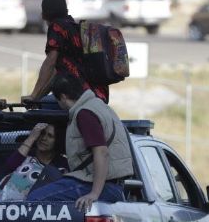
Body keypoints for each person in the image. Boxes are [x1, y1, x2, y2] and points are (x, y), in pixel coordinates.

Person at [27, 74, 133, 212]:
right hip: (112, 185)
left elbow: (102, 152)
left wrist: (94, 194)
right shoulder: (100, 106)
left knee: (33, 202)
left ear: (63, 97)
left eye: (58, 100)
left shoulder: (85, 114)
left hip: (103, 186)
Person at [23, 0, 109, 107]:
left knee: (44, 108)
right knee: (43, 103)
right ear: (67, 11)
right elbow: (54, 74)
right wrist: (37, 98)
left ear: (43, 15)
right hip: (97, 95)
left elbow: (50, 62)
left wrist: (33, 96)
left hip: (79, 96)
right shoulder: (75, 28)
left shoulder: (57, 27)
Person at [0, 122, 68, 201]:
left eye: (50, 136)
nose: (44, 138)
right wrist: (31, 138)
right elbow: (9, 167)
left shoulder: (62, 164)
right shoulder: (26, 155)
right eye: (42, 133)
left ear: (57, 140)